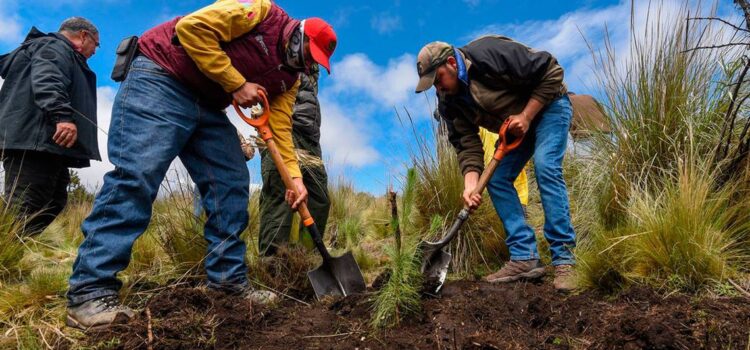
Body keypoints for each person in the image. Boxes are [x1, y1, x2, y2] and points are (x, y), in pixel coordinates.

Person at [66, 0, 337, 329]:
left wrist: (294, 180)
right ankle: (89, 292)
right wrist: (237, 84)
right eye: (310, 56)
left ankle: (227, 282)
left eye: (315, 63)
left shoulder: (290, 80)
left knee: (232, 182)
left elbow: (279, 132)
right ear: (301, 36)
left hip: (207, 102)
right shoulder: (261, 12)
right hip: (160, 75)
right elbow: (191, 30)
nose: (308, 64)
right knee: (137, 178)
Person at [414, 36, 577, 292]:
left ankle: (565, 260)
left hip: (549, 107)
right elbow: (466, 145)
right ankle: (525, 257)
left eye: (438, 80)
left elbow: (552, 71)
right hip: (514, 131)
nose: (438, 90)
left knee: (546, 166)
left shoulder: (488, 53)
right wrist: (470, 186)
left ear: (451, 63)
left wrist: (526, 115)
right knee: (498, 180)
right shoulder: (449, 103)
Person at [0, 17, 100, 236]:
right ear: (83, 35)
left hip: (47, 142)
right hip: (34, 141)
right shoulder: (54, 47)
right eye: (96, 43)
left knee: (53, 200)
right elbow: (48, 78)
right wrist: (62, 116)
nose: (95, 50)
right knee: (24, 205)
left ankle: (14, 249)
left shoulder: (51, 49)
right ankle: (7, 251)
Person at [259, 67, 330, 256]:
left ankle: (306, 259)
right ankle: (272, 265)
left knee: (320, 199)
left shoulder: (312, 71)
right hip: (284, 132)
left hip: (311, 139)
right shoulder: (283, 55)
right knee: (281, 199)